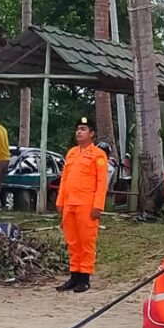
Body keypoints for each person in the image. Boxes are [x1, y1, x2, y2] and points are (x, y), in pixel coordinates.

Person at [55, 117, 108, 293]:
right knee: (72, 241)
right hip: (70, 203)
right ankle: (74, 275)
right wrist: (60, 201)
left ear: (91, 134)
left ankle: (84, 277)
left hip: (87, 203)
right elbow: (64, 179)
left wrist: (98, 205)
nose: (79, 132)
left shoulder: (98, 155)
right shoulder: (71, 153)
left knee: (86, 241)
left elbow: (102, 182)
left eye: (83, 129)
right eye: (78, 128)